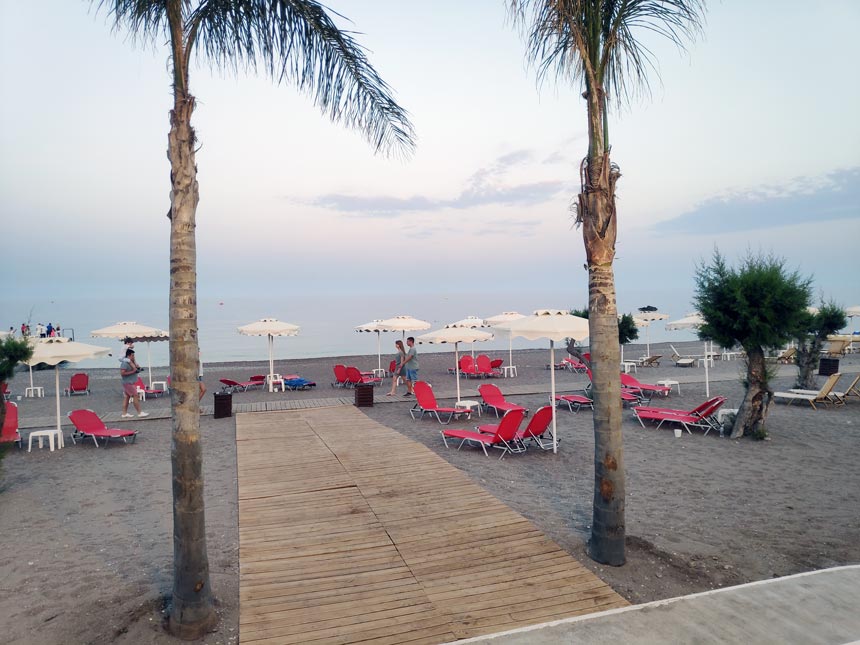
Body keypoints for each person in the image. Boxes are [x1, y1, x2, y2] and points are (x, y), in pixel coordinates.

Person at [120, 348, 148, 418]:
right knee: (135, 396)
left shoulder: (132, 363)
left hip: (130, 382)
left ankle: (124, 413)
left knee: (127, 397)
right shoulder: (125, 363)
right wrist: (133, 371)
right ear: (128, 356)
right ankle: (139, 412)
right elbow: (122, 373)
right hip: (128, 383)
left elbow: (135, 370)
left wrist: (138, 369)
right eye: (132, 356)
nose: (134, 357)